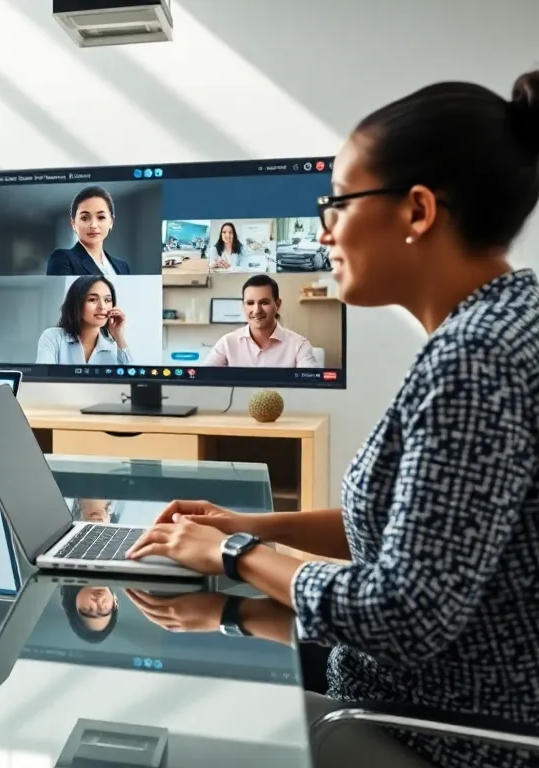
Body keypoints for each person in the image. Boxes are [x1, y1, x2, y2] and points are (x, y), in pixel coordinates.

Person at [125, 69, 539, 768]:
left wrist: (233, 557)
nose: (323, 232)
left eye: (338, 204)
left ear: (417, 211)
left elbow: (401, 613)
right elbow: (410, 533)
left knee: (154, 714)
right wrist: (246, 528)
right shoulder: (503, 321)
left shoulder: (475, 358)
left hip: (435, 734)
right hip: (410, 695)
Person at [203, 274, 319, 368]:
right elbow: (204, 380)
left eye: (264, 302)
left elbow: (311, 387)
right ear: (243, 307)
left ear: (277, 305)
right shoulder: (227, 343)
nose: (257, 310)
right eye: (250, 303)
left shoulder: (299, 345)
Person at [35, 275, 132, 365]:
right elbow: (42, 379)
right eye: (93, 300)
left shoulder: (113, 347)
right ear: (77, 303)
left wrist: (119, 336)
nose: (103, 307)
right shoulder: (53, 337)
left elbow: (132, 380)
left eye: (107, 300)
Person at [45, 185, 132, 275]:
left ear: (111, 222)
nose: (93, 225)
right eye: (85, 218)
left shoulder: (122, 266)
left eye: (101, 217)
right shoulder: (63, 259)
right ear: (73, 223)